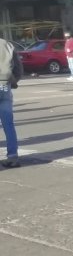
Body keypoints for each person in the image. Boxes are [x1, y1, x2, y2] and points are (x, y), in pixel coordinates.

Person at [0, 37, 23, 168]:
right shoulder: (7, 44)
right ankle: (12, 157)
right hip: (5, 85)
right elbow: (19, 67)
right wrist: (14, 81)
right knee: (8, 124)